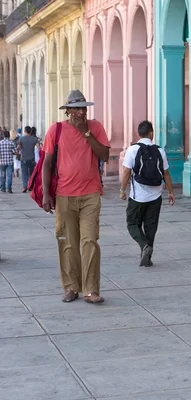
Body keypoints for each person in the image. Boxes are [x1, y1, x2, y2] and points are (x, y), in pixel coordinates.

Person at [42, 90, 110, 304]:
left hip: (90, 193)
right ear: (68, 110)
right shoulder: (56, 129)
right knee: (67, 243)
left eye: (84, 108)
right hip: (64, 195)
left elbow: (105, 155)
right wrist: (46, 194)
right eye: (77, 108)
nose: (81, 112)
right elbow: (47, 163)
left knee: (90, 241)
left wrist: (86, 133)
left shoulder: (95, 127)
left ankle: (91, 290)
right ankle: (71, 287)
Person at [120, 120, 175, 267]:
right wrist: (170, 192)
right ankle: (148, 257)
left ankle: (144, 246)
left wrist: (122, 190)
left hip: (137, 197)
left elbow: (126, 171)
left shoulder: (132, 150)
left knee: (132, 223)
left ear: (139, 134)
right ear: (151, 133)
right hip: (156, 196)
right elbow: (166, 173)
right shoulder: (159, 150)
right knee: (150, 227)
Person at [18, 126, 39, 193]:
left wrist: (20, 149)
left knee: (24, 173)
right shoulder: (34, 139)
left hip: (24, 158)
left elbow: (18, 147)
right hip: (32, 158)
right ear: (30, 131)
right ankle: (31, 186)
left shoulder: (21, 139)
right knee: (31, 173)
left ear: (24, 131)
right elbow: (39, 148)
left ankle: (25, 187)